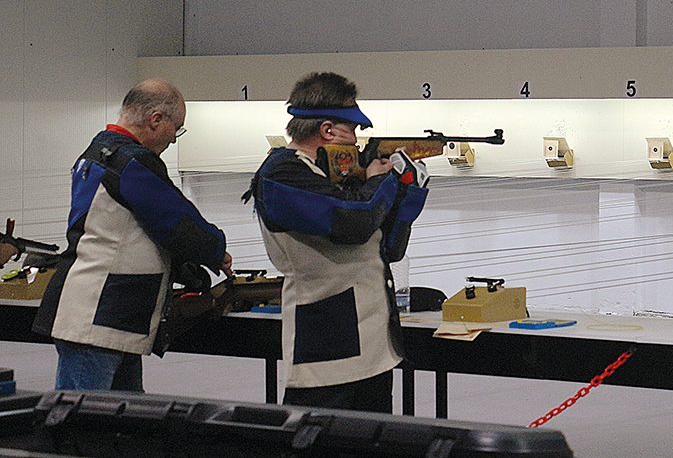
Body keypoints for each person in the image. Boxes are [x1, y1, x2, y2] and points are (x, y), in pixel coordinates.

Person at [33, 78, 232, 392]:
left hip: (112, 316)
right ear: (156, 119)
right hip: (100, 317)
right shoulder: (132, 162)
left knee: (124, 417)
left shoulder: (100, 150)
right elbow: (176, 220)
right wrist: (216, 250)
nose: (174, 139)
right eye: (176, 128)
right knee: (83, 417)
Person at [245, 72, 428, 412]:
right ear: (328, 130)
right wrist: (381, 182)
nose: (357, 142)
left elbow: (388, 249)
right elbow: (354, 222)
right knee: (318, 435)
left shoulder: (336, 179)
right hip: (326, 344)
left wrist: (407, 191)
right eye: (352, 130)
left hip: (375, 344)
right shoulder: (282, 175)